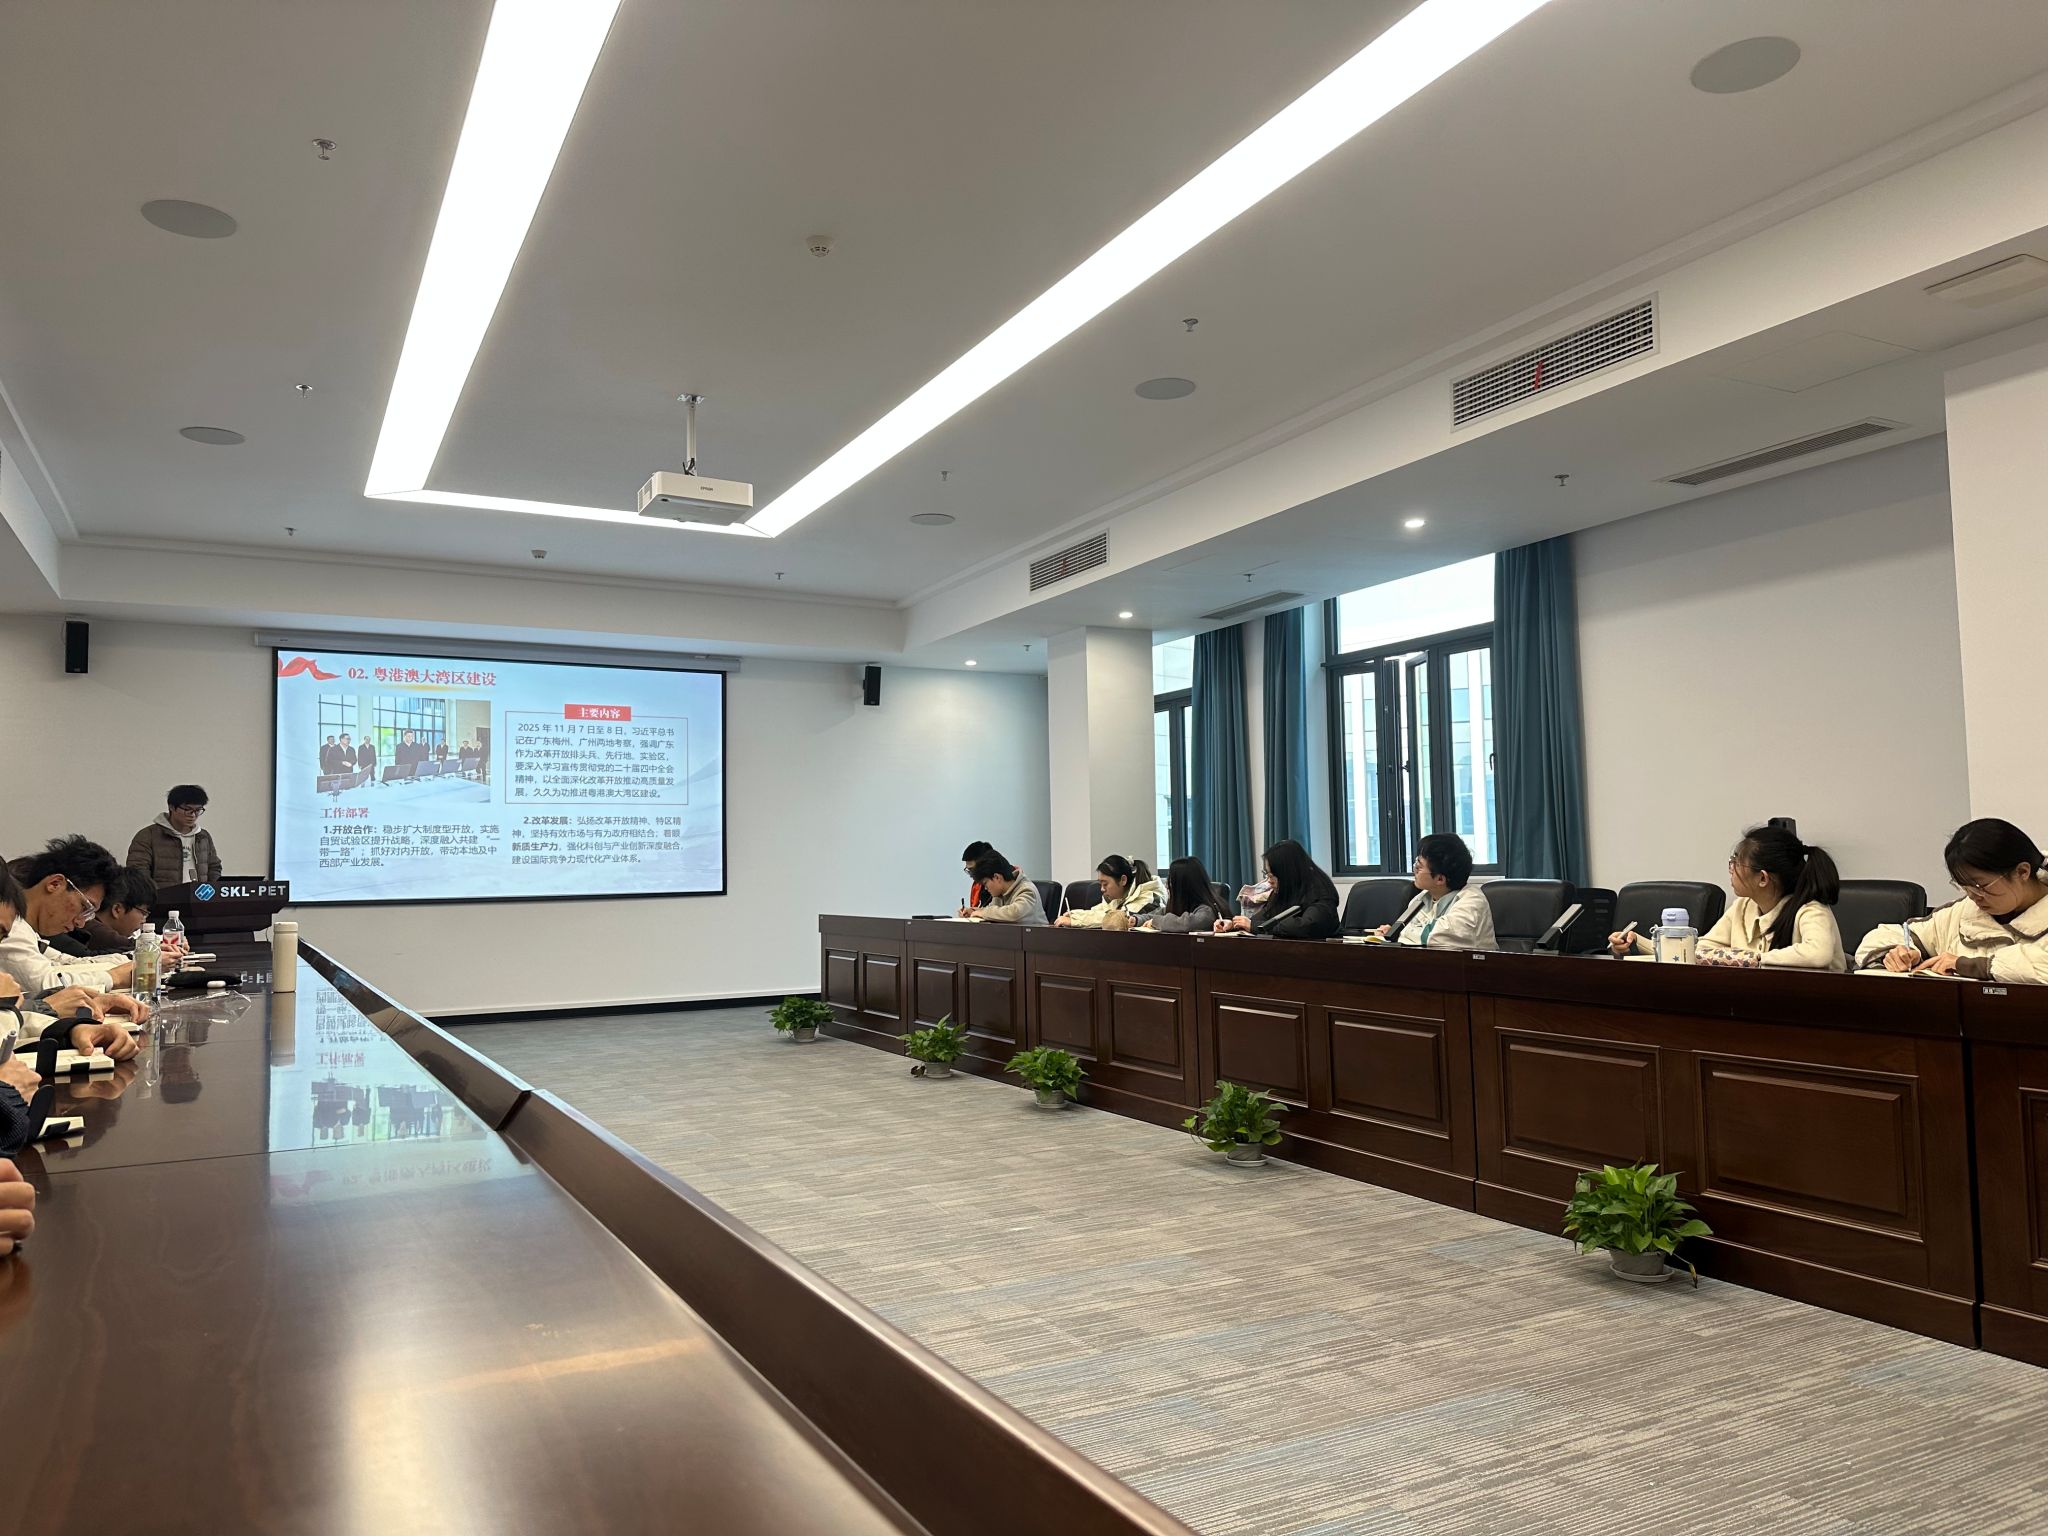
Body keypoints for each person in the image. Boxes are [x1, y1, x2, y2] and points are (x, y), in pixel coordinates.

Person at [1855, 818, 2048, 982]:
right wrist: (1899, 952)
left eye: (1980, 886)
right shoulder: (1963, 912)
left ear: (2022, 872)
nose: (1973, 897)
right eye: (1965, 887)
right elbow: (1886, 936)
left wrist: (1968, 965)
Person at [1680, 824, 1844, 970]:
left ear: (1763, 878)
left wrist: (1752, 959)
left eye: (1737, 864)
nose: (1731, 870)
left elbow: (1818, 954)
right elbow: (1702, 949)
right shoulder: (1743, 906)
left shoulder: (1811, 910)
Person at [0, 836, 139, 992]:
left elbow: (68, 963)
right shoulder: (11, 928)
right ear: (55, 884)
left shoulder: (26, 929)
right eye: (84, 907)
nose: (80, 923)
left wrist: (129, 961)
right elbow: (46, 984)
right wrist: (114, 978)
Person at [1376, 832, 1498, 950]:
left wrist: (1401, 932)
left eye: (1419, 867)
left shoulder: (1472, 902)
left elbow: (1433, 937)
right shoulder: (1421, 898)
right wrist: (1392, 933)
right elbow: (1410, 937)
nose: (1414, 871)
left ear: (1440, 879)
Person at [1216, 840, 1340, 940]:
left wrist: (1254, 926)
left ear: (1287, 874)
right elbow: (1264, 917)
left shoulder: (1320, 890)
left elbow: (1307, 926)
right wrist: (1234, 925)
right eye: (1267, 874)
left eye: (1272, 875)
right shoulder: (1285, 889)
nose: (1269, 881)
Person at [127, 784, 222, 886]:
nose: (193, 815)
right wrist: (153, 892)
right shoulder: (148, 835)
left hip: (199, 895)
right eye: (187, 809)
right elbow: (138, 871)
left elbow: (214, 867)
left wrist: (211, 889)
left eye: (198, 810)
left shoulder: (203, 836)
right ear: (171, 807)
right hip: (162, 895)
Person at [47, 867, 154, 958]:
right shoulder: (93, 929)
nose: (81, 923)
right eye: (143, 913)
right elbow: (86, 956)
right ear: (117, 909)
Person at [1058, 855, 1165, 928]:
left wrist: (1075, 921)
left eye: (1105, 884)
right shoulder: (1121, 896)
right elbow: (1101, 911)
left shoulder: (1150, 897)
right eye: (1100, 884)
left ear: (1123, 880)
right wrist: (1074, 915)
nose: (1102, 889)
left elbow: (1116, 920)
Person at [961, 852, 1046, 925]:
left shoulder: (1027, 889)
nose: (986, 888)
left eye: (985, 883)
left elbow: (1015, 913)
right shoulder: (999, 894)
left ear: (997, 877)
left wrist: (983, 913)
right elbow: (993, 911)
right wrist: (973, 912)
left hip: (1037, 937)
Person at [1141, 857, 1221, 933]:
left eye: (1171, 882)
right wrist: (1136, 920)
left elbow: (1187, 924)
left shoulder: (1207, 911)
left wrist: (1155, 922)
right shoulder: (1176, 906)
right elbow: (1152, 916)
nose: (1166, 886)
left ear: (1183, 886)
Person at [960, 841, 997, 912]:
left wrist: (980, 913)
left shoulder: (1010, 881)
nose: (971, 875)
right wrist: (971, 913)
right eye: (968, 870)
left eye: (972, 870)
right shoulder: (977, 885)